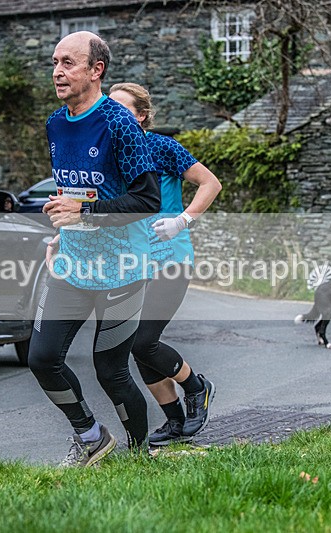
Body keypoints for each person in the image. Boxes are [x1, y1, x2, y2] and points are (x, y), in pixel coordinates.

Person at [29, 31, 161, 467]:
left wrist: (83, 212)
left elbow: (147, 200)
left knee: (112, 373)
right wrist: (62, 230)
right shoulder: (54, 123)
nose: (57, 71)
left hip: (122, 268)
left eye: (68, 62)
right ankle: (90, 435)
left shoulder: (119, 123)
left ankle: (140, 459)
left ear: (95, 70)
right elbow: (75, 191)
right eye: (54, 62)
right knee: (42, 359)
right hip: (71, 263)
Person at [109, 82, 222, 445]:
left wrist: (181, 220)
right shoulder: (110, 155)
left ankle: (196, 386)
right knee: (136, 345)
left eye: (122, 109)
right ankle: (175, 422)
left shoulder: (161, 147)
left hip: (171, 259)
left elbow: (210, 184)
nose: (113, 115)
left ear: (141, 116)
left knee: (144, 342)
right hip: (133, 263)